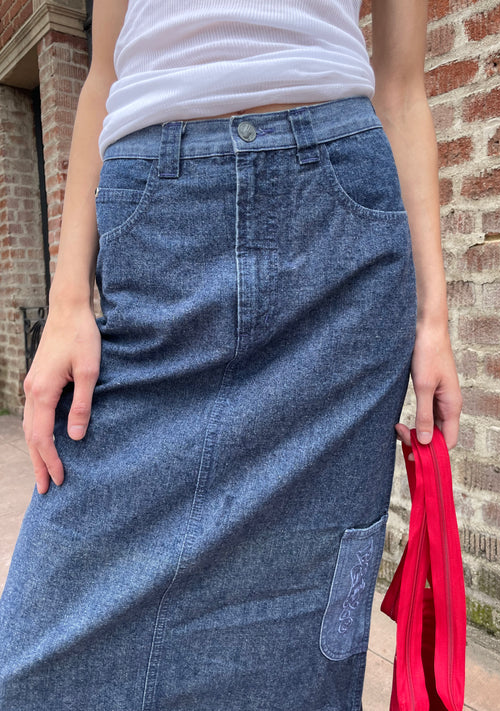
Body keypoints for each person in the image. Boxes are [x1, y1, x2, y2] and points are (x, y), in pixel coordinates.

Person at [0, 1, 462, 709]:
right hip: (157, 230)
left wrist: (432, 320)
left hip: (336, 244)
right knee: (37, 655)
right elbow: (103, 76)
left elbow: (400, 86)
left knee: (303, 627)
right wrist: (66, 302)